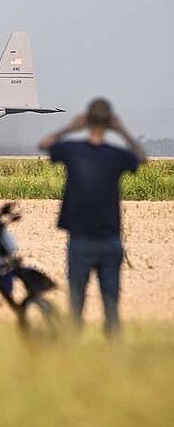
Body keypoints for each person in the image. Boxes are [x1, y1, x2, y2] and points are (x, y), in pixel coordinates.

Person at [38, 98, 147, 339]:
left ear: (86, 120)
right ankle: (114, 355)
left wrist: (70, 128)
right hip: (110, 241)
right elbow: (141, 158)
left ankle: (74, 356)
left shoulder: (72, 150)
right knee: (111, 304)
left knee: (76, 303)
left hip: (80, 241)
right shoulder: (117, 155)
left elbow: (45, 144)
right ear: (109, 122)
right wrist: (122, 131)